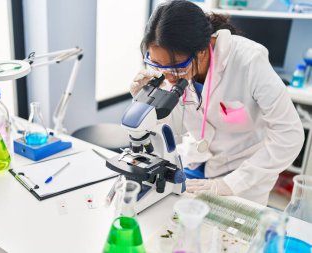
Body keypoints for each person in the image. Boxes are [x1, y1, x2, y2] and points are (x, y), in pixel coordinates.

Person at [130, 0, 304, 205]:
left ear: (202, 50)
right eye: (157, 65)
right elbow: (173, 126)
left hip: (241, 174)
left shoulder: (249, 61)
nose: (167, 76)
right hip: (195, 162)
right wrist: (145, 103)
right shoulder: (173, 71)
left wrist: (231, 183)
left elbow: (290, 136)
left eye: (175, 67)